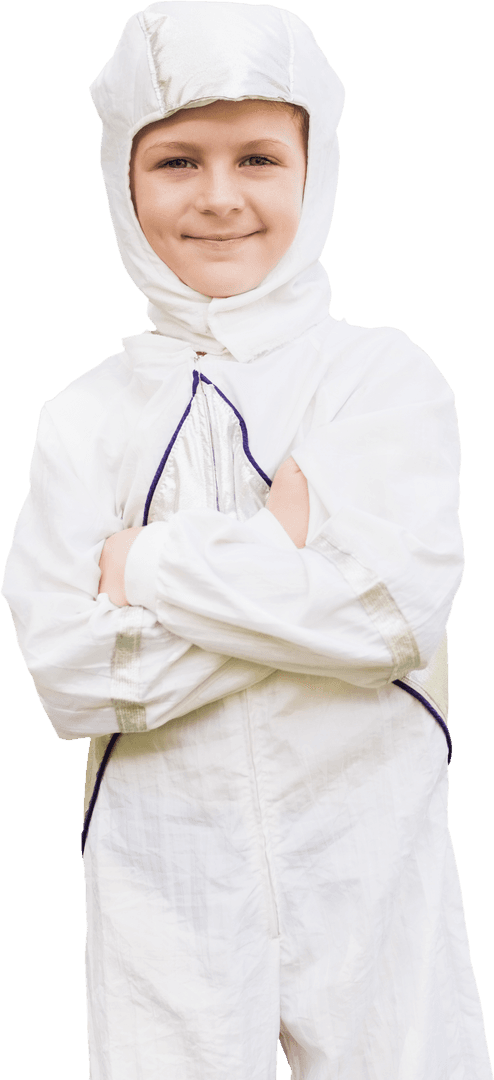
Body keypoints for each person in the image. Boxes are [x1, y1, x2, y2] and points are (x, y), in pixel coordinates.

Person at [2, 2, 492, 1077]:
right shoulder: (82, 417)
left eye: (258, 157)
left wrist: (147, 568)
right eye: (177, 159)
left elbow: (387, 615)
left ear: (314, 169)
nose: (219, 197)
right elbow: (72, 680)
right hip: (160, 881)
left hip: (371, 874)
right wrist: (285, 565)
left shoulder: (380, 380)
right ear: (119, 178)